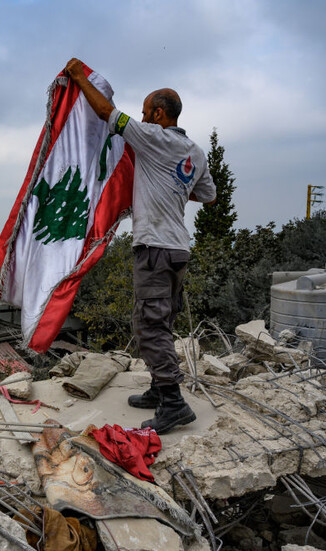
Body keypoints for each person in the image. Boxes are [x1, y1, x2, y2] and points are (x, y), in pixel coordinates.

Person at [64, 58, 216, 434]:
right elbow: (208, 194)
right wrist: (174, 186)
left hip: (156, 248)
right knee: (161, 320)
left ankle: (173, 403)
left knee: (149, 326)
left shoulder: (155, 138)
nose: (143, 118)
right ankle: (156, 388)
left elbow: (106, 112)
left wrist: (80, 77)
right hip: (178, 248)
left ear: (160, 114)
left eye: (147, 112)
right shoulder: (194, 152)